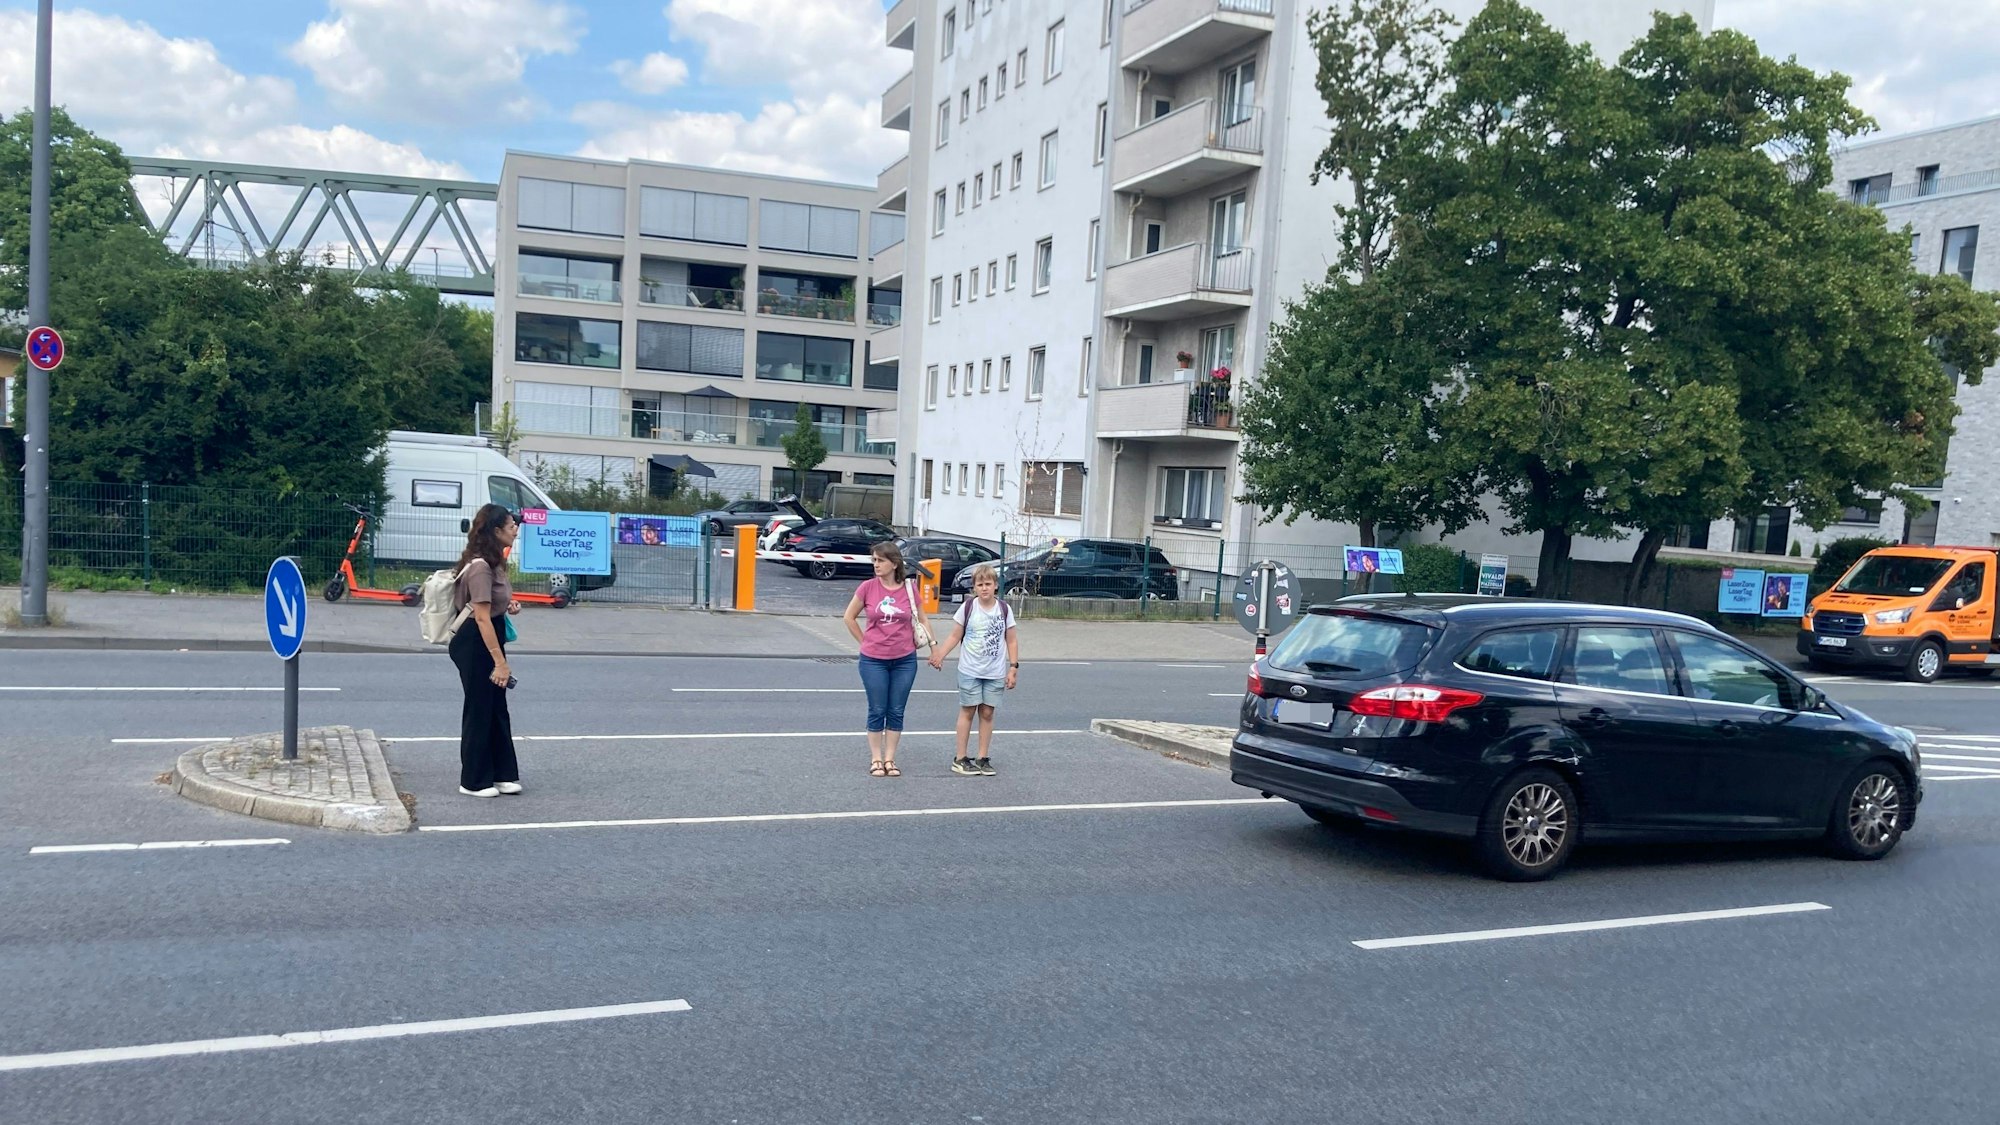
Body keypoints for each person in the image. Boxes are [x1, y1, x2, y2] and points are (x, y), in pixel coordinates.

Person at [450, 504, 524, 798]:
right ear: (496, 532)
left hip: (490, 634)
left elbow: (492, 607)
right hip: (474, 641)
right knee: (480, 708)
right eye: (510, 526)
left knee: (496, 707)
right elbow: (479, 616)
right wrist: (500, 663)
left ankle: (502, 774)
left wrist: (508, 605)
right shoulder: (480, 566)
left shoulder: (495, 563)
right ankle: (473, 780)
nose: (515, 530)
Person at [843, 540, 922, 777]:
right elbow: (849, 617)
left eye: (880, 560)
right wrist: (865, 641)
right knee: (878, 708)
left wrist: (934, 646)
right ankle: (876, 758)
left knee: (896, 709)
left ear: (894, 563)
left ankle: (890, 759)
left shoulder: (909, 589)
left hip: (905, 659)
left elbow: (922, 618)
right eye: (874, 560)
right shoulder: (867, 587)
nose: (876, 565)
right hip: (873, 659)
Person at [930, 563, 1018, 776]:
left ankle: (982, 757)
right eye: (980, 584)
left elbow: (1012, 640)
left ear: (996, 586)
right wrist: (940, 654)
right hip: (970, 669)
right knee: (968, 709)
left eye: (988, 584)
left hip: (995, 671)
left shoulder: (1004, 609)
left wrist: (1013, 667)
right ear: (974, 588)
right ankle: (960, 758)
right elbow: (955, 635)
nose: (984, 588)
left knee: (987, 712)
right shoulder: (968, 608)